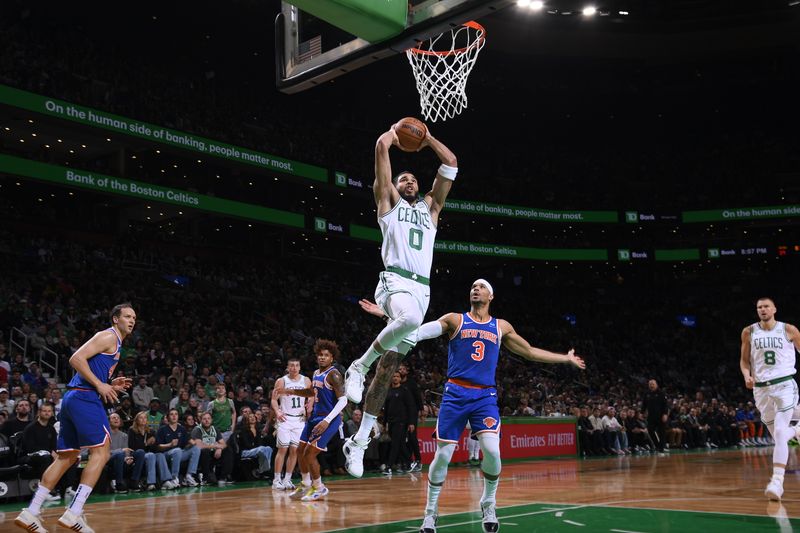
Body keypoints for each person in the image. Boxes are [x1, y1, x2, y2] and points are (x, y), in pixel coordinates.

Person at [359, 280, 585, 533]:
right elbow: (419, 332)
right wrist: (393, 318)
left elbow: (529, 352)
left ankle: (488, 503)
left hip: (484, 397)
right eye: (473, 286)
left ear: (491, 295)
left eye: (481, 286)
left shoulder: (501, 327)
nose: (475, 288)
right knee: (443, 456)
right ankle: (430, 513)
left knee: (493, 451)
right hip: (455, 394)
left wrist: (565, 358)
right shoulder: (455, 320)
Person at [343, 122, 458, 479]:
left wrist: (427, 140)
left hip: (422, 291)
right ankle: (357, 366)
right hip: (394, 280)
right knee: (407, 323)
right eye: (402, 179)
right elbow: (381, 146)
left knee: (388, 368)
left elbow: (451, 162)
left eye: (412, 179)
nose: (408, 182)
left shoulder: (431, 209)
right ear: (391, 187)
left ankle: (359, 441)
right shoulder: (387, 204)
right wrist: (394, 133)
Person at [15, 302, 135, 533]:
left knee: (67, 457)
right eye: (127, 316)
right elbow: (75, 359)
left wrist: (109, 383)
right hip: (84, 398)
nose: (131, 320)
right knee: (102, 452)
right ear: (115, 319)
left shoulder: (116, 344)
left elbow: (90, 369)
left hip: (74, 397)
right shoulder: (108, 336)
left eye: (134, 318)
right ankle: (74, 512)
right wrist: (100, 385)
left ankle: (31, 511)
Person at [739, 297, 800, 501]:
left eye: (766, 306)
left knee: (782, 432)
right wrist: (747, 375)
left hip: (784, 384)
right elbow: (744, 360)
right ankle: (798, 430)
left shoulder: (789, 329)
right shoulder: (749, 331)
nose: (762, 309)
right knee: (779, 437)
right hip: (761, 390)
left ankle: (777, 481)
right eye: (759, 307)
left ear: (774, 308)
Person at [278, 339, 347, 502]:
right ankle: (306, 484)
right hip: (314, 417)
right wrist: (291, 390)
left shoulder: (334, 374)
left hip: (328, 419)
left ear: (332, 358)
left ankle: (320, 488)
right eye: (320, 355)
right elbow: (311, 391)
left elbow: (343, 400)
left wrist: (327, 421)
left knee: (309, 455)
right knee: (299, 451)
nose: (322, 358)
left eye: (326, 355)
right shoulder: (316, 373)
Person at [271, 357, 311, 490]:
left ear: (300, 367)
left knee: (295, 450)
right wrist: (277, 411)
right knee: (282, 449)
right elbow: (273, 399)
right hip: (285, 419)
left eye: (297, 365)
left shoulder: (305, 380)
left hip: (299, 420)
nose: (294, 368)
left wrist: (308, 407)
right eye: (292, 366)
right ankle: (276, 480)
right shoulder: (282, 381)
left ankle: (287, 479)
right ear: (288, 368)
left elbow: (311, 396)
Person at [642, 379, 668, 452]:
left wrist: (665, 414)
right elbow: (644, 404)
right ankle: (657, 445)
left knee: (661, 432)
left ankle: (661, 448)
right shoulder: (646, 393)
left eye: (653, 384)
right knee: (650, 430)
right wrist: (642, 412)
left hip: (661, 416)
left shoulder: (661, 393)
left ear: (656, 385)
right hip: (651, 416)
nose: (651, 385)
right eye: (650, 384)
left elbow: (665, 405)